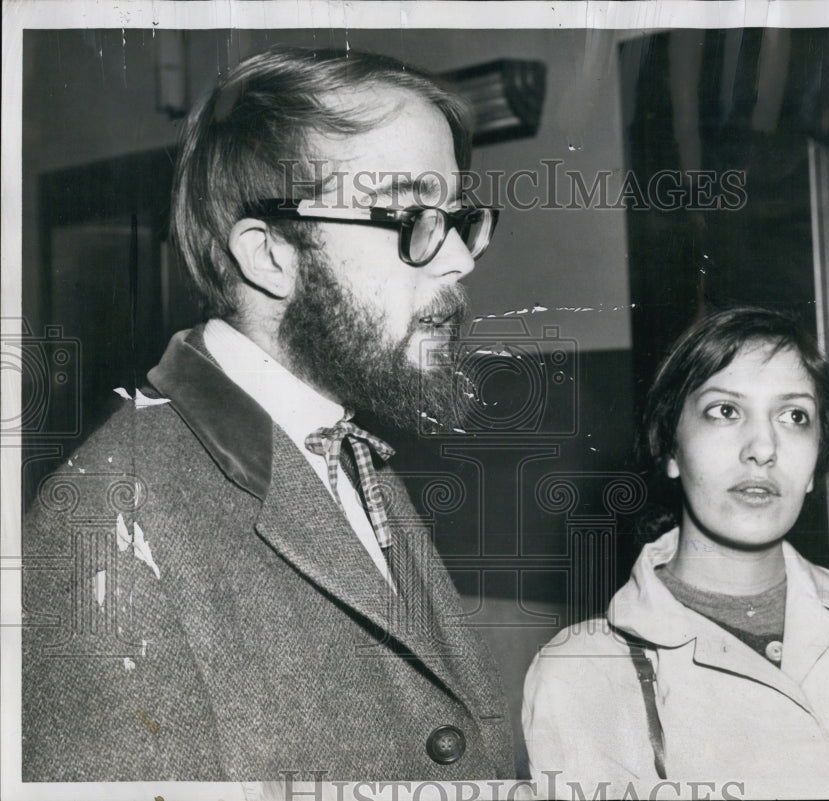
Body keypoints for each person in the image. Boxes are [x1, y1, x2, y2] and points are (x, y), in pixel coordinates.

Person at [22, 46, 513, 781]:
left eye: (457, 217)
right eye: (414, 216)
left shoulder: (347, 450)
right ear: (270, 255)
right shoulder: (106, 520)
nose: (460, 261)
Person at [522, 307, 829, 785]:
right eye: (725, 411)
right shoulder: (582, 673)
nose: (763, 447)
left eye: (795, 416)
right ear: (671, 448)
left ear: (816, 462)